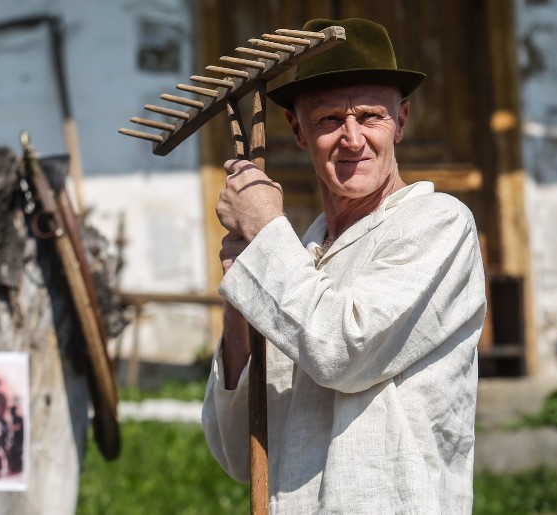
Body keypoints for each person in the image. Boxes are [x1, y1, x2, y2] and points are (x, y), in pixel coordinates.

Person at [202, 18, 486, 513]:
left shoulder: (437, 225)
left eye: (370, 116)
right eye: (330, 120)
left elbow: (343, 352)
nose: (352, 138)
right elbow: (236, 452)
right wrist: (240, 306)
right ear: (297, 130)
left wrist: (267, 234)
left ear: (400, 121)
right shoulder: (297, 258)